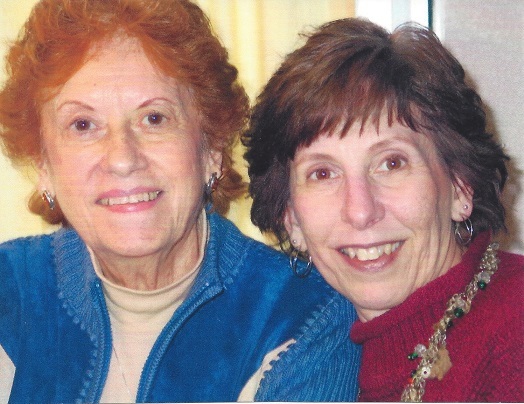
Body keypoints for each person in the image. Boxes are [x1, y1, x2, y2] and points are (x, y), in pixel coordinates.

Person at [0, 1, 361, 402]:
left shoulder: (303, 317)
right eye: (83, 125)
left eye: (154, 118)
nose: (122, 158)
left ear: (212, 148)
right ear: (43, 165)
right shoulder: (10, 288)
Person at [244, 17, 523, 402]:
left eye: (392, 163)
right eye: (323, 173)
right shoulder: (308, 360)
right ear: (291, 218)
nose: (360, 211)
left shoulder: (514, 334)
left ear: (460, 186)